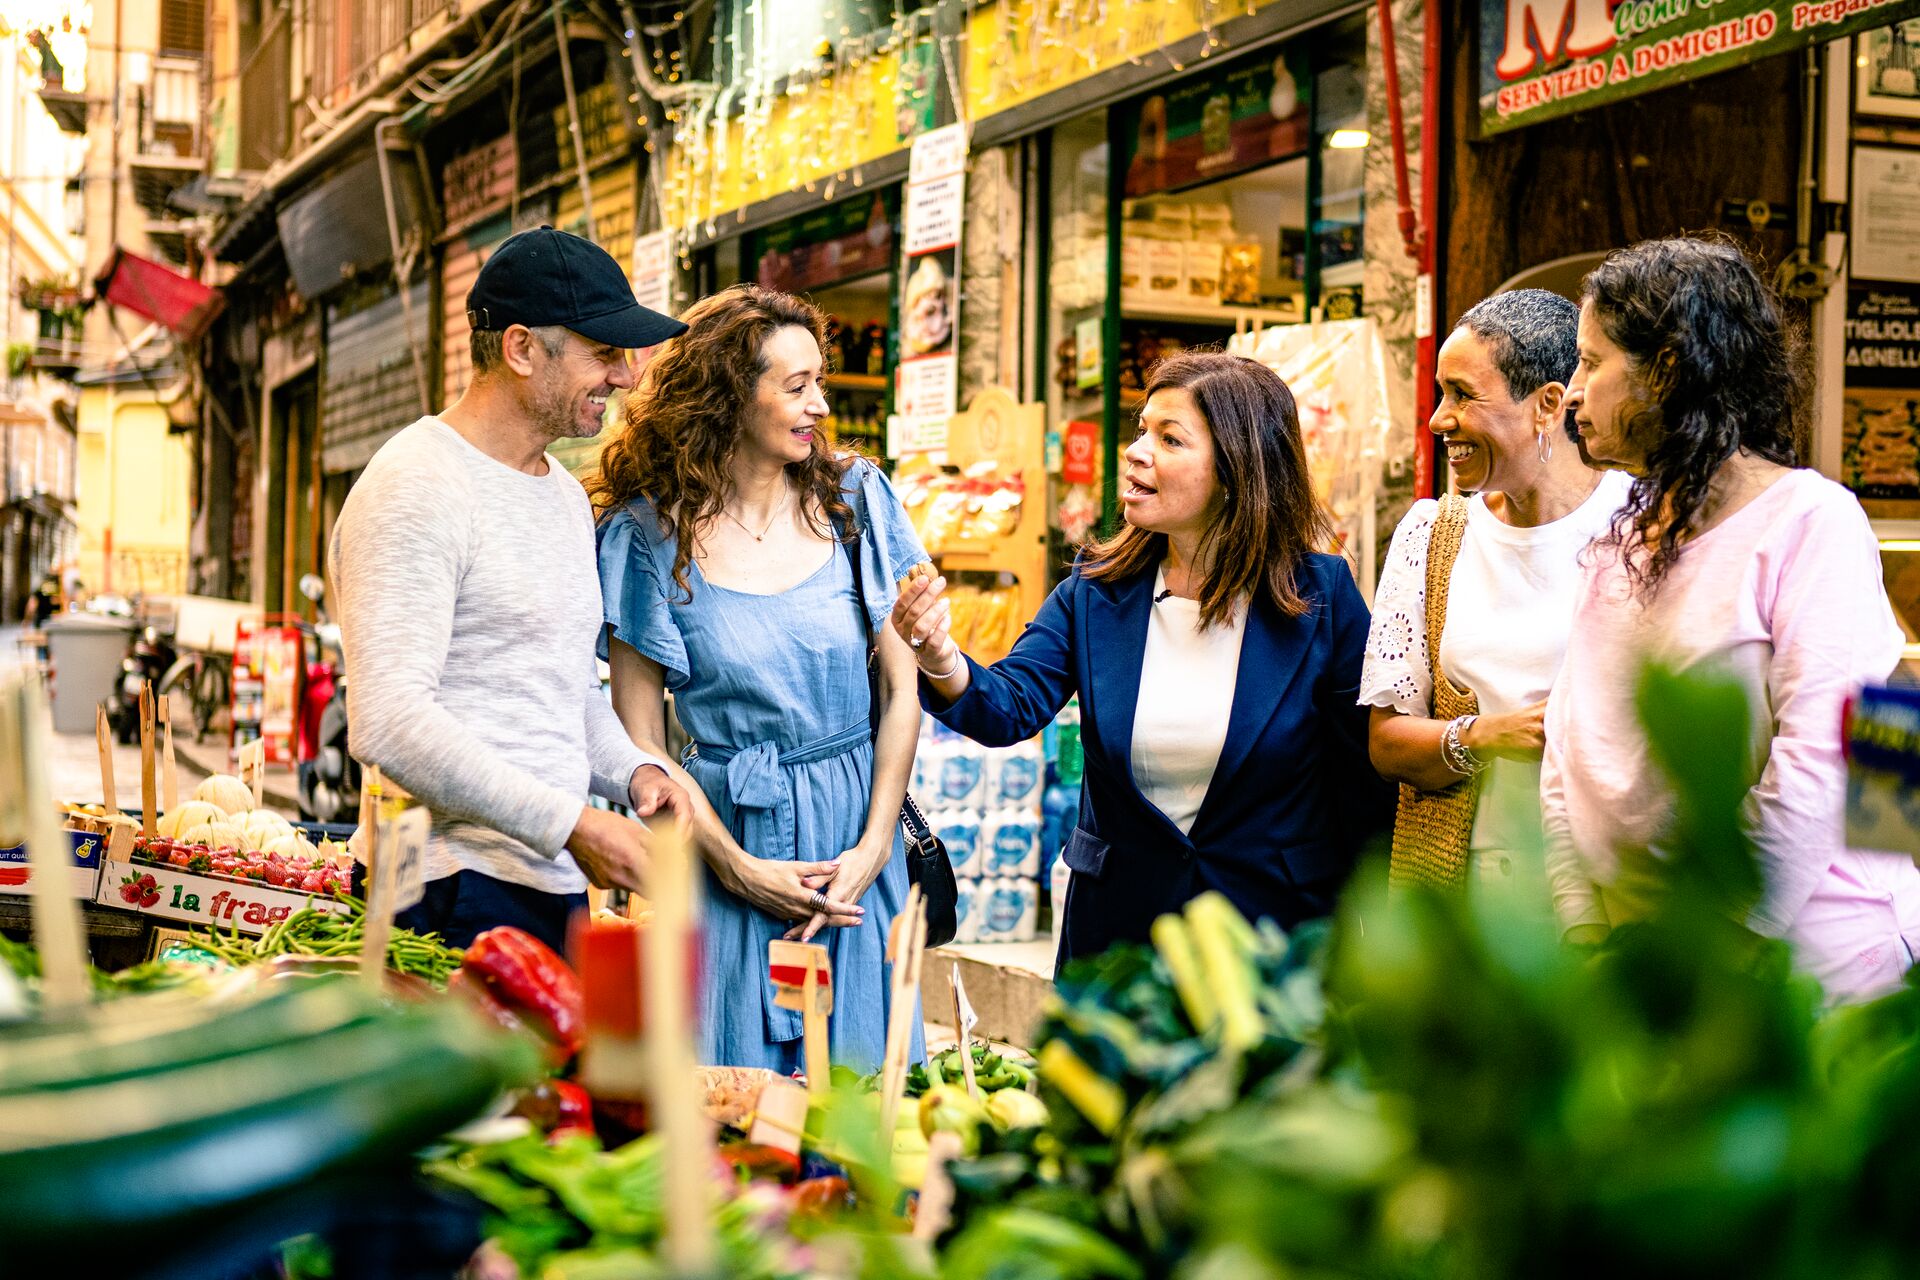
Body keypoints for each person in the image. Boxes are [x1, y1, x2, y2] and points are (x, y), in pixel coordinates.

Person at [893, 351, 1393, 965]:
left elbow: (1365, 785)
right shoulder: (1093, 593)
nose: (1135, 451)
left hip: (1277, 940)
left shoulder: (1322, 598)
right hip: (1120, 941)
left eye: (1170, 438)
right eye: (1141, 431)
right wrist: (938, 653)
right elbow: (1007, 708)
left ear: (1238, 467)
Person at [1543, 235, 1920, 1001]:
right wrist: (1585, 930)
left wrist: (1719, 949)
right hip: (1644, 971)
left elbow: (1820, 767)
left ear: (1669, 368)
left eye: (1590, 360)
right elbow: (1566, 749)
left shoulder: (1813, 522)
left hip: (1809, 977)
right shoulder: (1620, 538)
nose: (1571, 389)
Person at [329, 226, 692, 956]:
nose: (624, 377)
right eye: (603, 353)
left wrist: (637, 772)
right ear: (522, 349)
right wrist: (575, 825)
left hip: (549, 884)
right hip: (443, 889)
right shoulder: (418, 484)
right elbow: (387, 722)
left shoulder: (560, 494)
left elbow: (557, 688)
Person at [591, 283, 925, 1072]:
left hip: (853, 850)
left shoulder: (856, 502)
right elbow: (639, 741)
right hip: (721, 840)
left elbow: (902, 693)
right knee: (732, 1098)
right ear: (731, 396)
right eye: (795, 386)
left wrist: (875, 848)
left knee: (861, 1098)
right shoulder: (647, 534)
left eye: (821, 383)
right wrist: (736, 867)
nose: (818, 406)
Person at [1361, 290, 1630, 891]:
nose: (1437, 418)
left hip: (1611, 892)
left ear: (1548, 405)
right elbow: (1386, 744)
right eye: (1440, 392)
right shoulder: (1432, 535)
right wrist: (1484, 735)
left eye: (1462, 394)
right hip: (1462, 896)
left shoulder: (1641, 526)